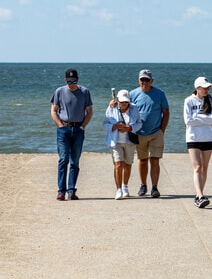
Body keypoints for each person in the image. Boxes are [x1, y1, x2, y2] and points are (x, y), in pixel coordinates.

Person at [50, 69, 93, 201]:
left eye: (74, 81)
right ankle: (61, 191)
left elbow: (89, 111)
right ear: (65, 80)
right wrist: (60, 125)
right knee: (63, 160)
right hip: (64, 129)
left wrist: (82, 126)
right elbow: (53, 110)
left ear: (77, 80)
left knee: (75, 161)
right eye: (69, 81)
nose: (71, 84)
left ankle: (71, 190)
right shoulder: (59, 91)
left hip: (78, 130)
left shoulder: (84, 92)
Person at [130, 69, 170, 198]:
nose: (144, 82)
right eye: (142, 79)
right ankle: (143, 185)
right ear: (138, 80)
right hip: (139, 133)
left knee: (154, 160)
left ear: (151, 81)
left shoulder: (160, 94)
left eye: (147, 80)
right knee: (142, 160)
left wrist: (162, 130)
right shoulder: (133, 94)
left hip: (155, 133)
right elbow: (124, 108)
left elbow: (166, 112)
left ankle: (154, 187)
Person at [184, 77, 212, 208]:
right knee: (197, 167)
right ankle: (200, 195)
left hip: (208, 137)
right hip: (193, 138)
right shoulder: (188, 101)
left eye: (208, 88)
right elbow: (188, 121)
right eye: (204, 88)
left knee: (204, 168)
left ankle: (199, 195)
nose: (207, 90)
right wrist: (205, 119)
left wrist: (197, 117)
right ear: (197, 88)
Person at [103, 89, 143, 200]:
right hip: (115, 141)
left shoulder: (134, 108)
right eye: (121, 102)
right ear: (118, 101)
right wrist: (114, 126)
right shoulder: (112, 107)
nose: (124, 104)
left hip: (129, 141)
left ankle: (125, 186)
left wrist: (129, 128)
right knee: (118, 164)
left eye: (126, 102)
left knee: (128, 164)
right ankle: (118, 189)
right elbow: (105, 123)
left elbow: (139, 123)